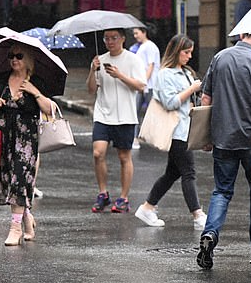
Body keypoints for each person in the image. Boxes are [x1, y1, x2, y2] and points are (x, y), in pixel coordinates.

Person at [195, 32, 251, 269]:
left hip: (223, 138)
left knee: (221, 191)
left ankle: (210, 234)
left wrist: (206, 136)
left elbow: (206, 98)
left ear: (241, 35)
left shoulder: (220, 58)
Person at [134, 34, 208, 229]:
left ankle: (147, 207)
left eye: (190, 52)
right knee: (188, 172)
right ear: (176, 52)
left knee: (172, 173)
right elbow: (170, 102)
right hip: (176, 130)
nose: (189, 56)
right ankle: (197, 214)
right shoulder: (165, 74)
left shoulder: (186, 72)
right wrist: (191, 89)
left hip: (187, 128)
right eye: (186, 52)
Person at [0, 45, 53, 245]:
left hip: (26, 140)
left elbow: (49, 110)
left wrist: (34, 92)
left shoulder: (36, 82)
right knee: (9, 180)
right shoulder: (1, 79)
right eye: (11, 56)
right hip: (5, 138)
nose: (14, 60)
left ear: (28, 59)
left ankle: (14, 228)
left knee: (19, 178)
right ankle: (27, 218)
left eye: (18, 56)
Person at [87, 28, 146, 213]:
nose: (110, 42)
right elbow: (91, 89)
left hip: (125, 115)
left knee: (124, 157)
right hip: (103, 113)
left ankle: (124, 198)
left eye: (114, 38)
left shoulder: (133, 59)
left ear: (122, 39)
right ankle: (103, 193)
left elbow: (141, 86)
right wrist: (92, 69)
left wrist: (119, 75)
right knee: (98, 153)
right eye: (106, 38)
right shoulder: (100, 60)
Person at [132, 27, 161, 149]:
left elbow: (150, 66)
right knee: (135, 111)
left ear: (144, 32)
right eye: (134, 34)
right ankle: (135, 138)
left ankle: (157, 136)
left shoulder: (149, 46)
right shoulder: (142, 46)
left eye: (137, 33)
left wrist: (143, 83)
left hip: (148, 85)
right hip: (143, 84)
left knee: (152, 112)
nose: (135, 36)